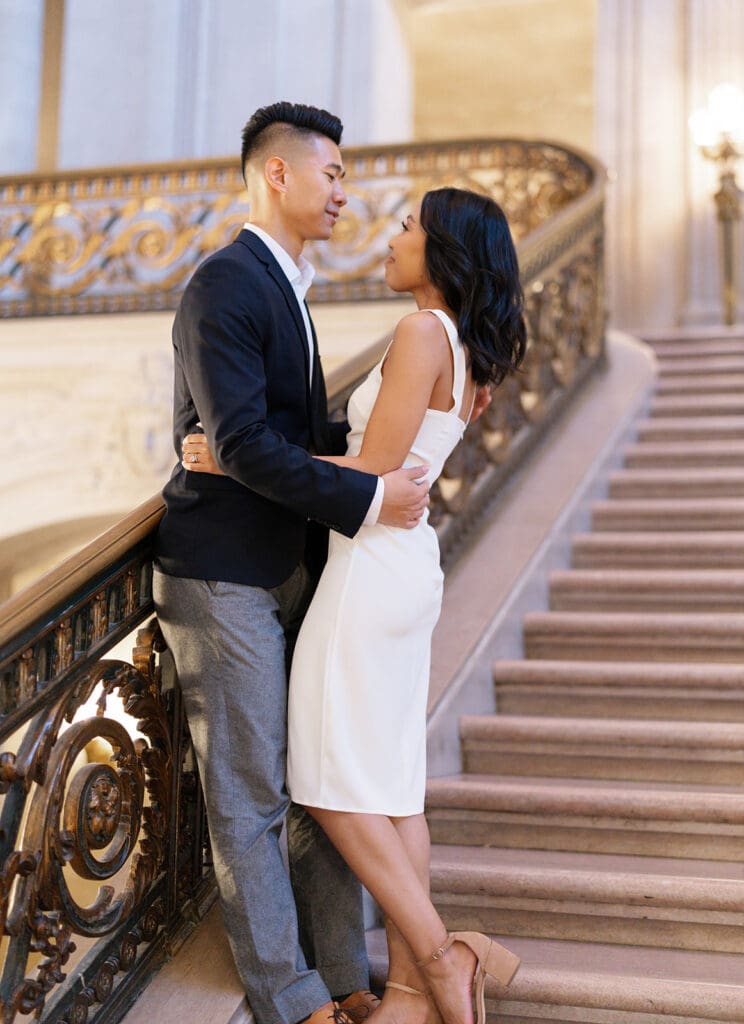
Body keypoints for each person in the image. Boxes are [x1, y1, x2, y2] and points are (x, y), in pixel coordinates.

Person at [185, 185, 527, 1024]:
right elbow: (389, 466)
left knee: (329, 783)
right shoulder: (460, 345)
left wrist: (232, 461)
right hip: (398, 563)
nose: (391, 237)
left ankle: (445, 958)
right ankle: (413, 988)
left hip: (371, 568)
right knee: (389, 787)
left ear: (442, 252)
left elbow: (373, 469)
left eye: (408, 228)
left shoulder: (420, 330)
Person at [153, 101, 433, 1024]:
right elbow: (242, 441)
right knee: (251, 794)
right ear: (279, 174)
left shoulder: (288, 284)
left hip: (288, 564)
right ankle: (292, 1000)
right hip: (221, 568)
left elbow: (270, 437)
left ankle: (348, 980)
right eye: (334, 173)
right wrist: (364, 495)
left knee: (316, 776)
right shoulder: (224, 285)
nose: (346, 191)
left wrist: (241, 448)